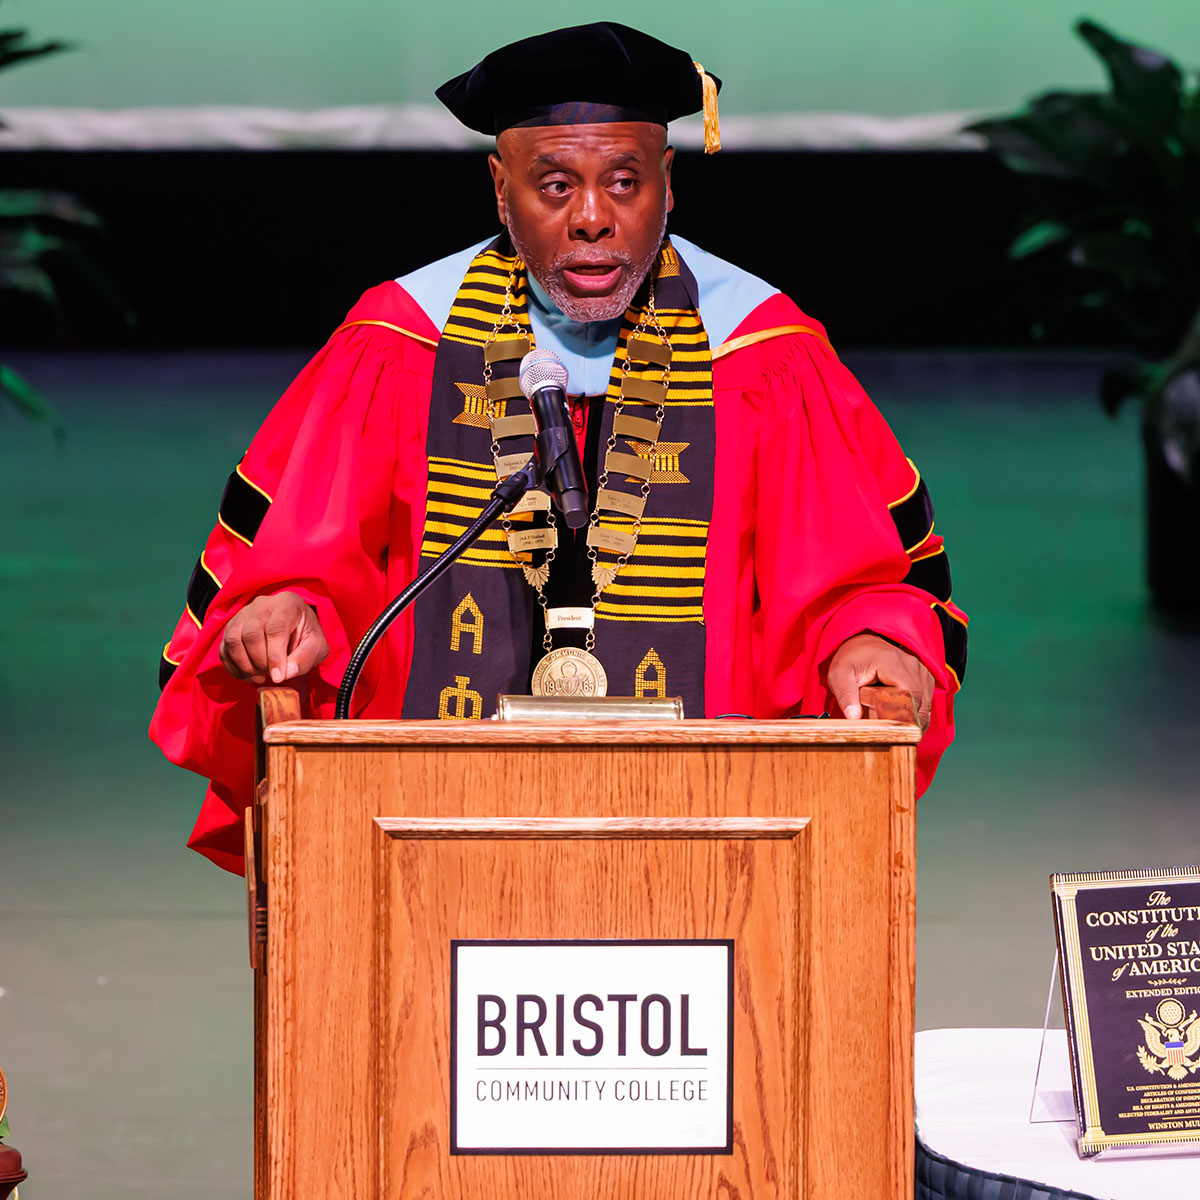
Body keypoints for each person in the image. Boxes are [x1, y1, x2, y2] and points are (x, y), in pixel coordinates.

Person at [150, 22, 968, 875]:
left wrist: (872, 643)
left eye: (624, 182)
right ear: (500, 190)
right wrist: (287, 613)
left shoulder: (765, 353)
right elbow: (300, 564)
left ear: (668, 184)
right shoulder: (398, 343)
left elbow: (863, 584)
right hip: (426, 831)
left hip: (709, 840)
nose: (591, 220)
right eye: (554, 185)